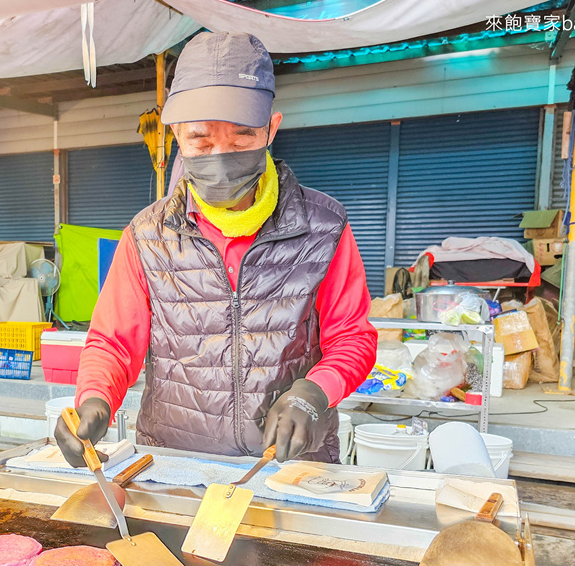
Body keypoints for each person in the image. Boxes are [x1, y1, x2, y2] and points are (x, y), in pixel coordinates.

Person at [56, 31, 377, 466]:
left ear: (272, 128)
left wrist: (314, 392)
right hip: (174, 466)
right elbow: (113, 343)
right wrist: (93, 398)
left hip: (289, 466)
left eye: (243, 137)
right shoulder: (147, 235)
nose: (222, 156)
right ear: (176, 136)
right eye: (201, 142)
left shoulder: (324, 227)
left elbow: (352, 338)